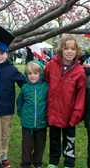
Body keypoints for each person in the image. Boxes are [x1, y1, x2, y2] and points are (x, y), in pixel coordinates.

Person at [45, 35, 86, 168]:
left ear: (77, 51)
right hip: (54, 111)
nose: (69, 51)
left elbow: (81, 95)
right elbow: (46, 81)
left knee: (70, 139)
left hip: (70, 113)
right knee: (54, 138)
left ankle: (69, 161)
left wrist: (77, 114)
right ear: (61, 50)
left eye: (72, 49)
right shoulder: (51, 65)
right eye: (66, 48)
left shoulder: (79, 71)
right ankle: (53, 161)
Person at [17, 60, 48, 168]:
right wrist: (22, 114)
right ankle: (26, 163)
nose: (32, 76)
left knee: (40, 144)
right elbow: (19, 102)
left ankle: (37, 162)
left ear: (41, 74)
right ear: (26, 75)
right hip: (27, 123)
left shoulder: (45, 87)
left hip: (42, 122)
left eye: (35, 73)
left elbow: (49, 102)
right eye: (29, 74)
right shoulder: (25, 88)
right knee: (27, 145)